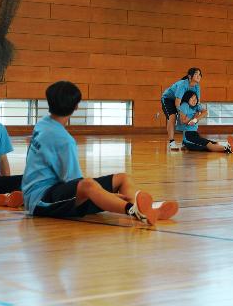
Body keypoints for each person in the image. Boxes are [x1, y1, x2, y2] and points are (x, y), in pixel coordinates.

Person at [23, 81, 178, 225]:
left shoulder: (42, 124)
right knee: (88, 185)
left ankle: (145, 210)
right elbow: (75, 183)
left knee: (122, 178)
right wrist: (106, 196)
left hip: (42, 191)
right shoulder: (64, 140)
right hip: (40, 200)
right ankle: (134, 209)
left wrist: (105, 196)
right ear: (76, 107)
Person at [162, 67, 202, 149]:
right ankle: (171, 142)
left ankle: (185, 141)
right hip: (168, 99)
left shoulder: (197, 87)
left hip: (182, 101)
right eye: (196, 74)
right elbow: (177, 102)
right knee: (172, 116)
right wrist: (182, 115)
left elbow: (197, 103)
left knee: (190, 115)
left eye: (200, 74)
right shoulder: (182, 85)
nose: (199, 76)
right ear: (189, 76)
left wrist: (195, 117)